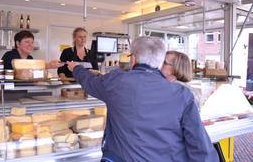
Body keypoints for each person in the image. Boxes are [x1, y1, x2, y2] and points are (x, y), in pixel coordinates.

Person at [67, 36, 219, 162]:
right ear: (160, 62)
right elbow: (200, 146)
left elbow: (89, 81)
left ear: (133, 59)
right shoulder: (183, 95)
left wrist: (76, 68)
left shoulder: (116, 81)